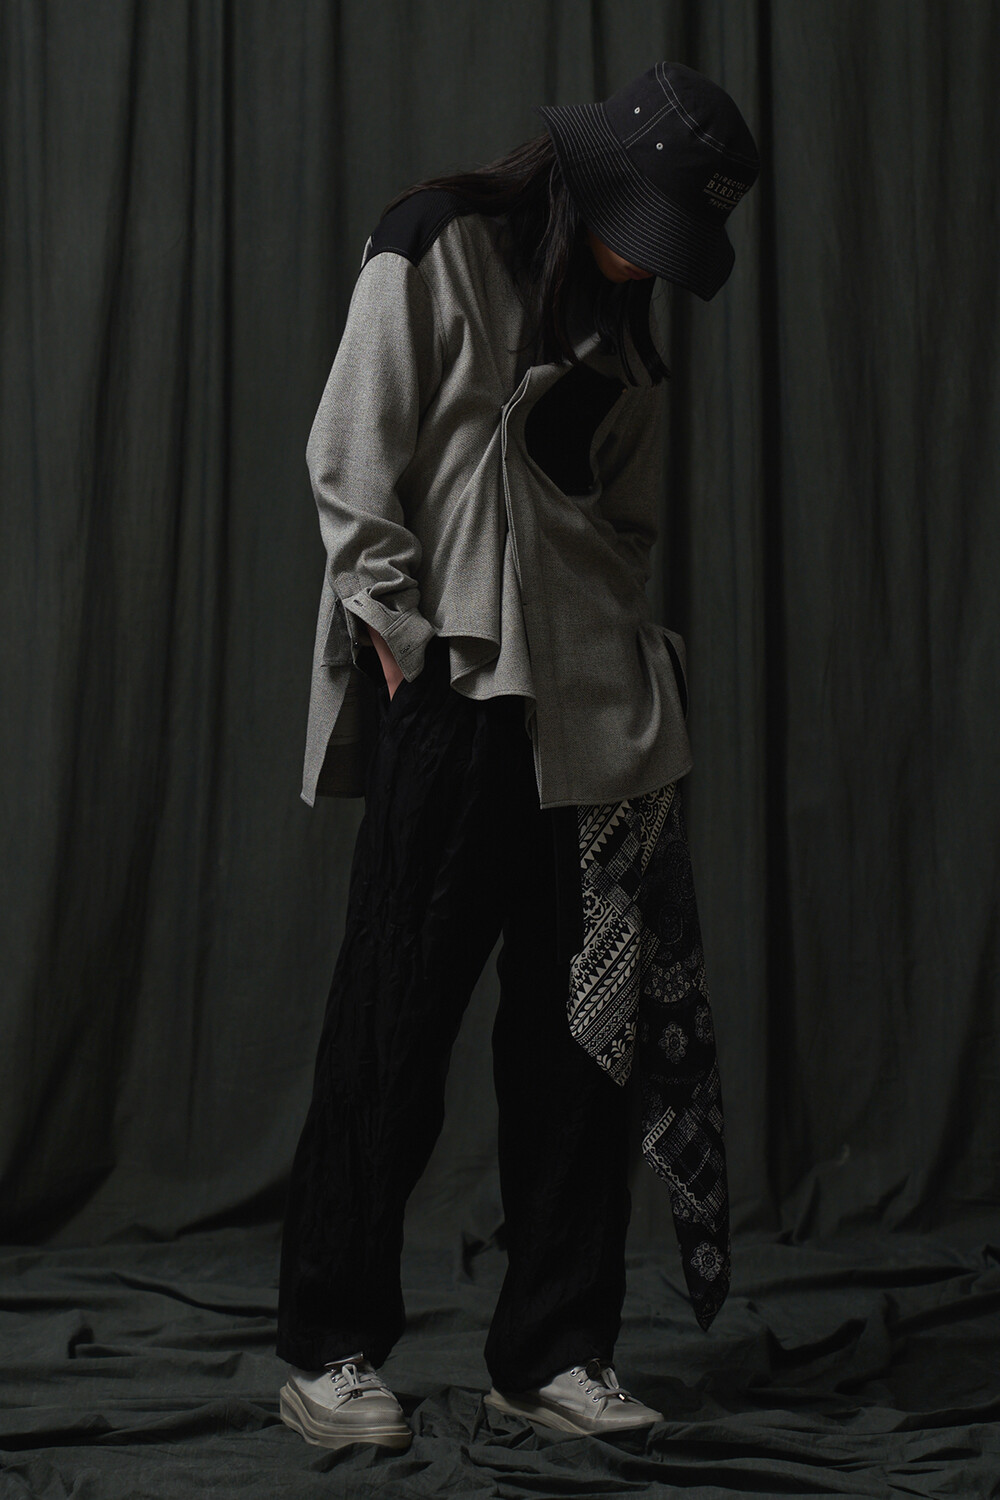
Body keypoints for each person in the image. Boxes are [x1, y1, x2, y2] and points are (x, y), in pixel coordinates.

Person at [276, 61, 759, 1452]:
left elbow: (629, 515)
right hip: (457, 689)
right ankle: (329, 1349)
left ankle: (553, 1350)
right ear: (598, 175)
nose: (645, 262)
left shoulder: (627, 325)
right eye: (644, 227)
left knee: (581, 1047)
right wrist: (400, 632)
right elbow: (348, 452)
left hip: (596, 718)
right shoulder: (433, 242)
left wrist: (617, 651)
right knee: (393, 1025)